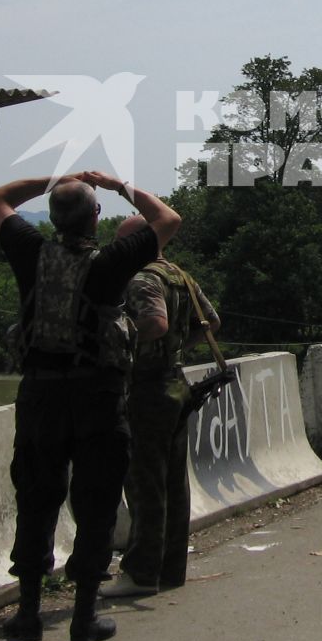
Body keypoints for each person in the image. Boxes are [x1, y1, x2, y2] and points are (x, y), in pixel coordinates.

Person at [0, 169, 179, 641]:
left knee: (35, 498)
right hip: (98, 396)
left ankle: (28, 613)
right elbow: (167, 218)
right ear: (96, 218)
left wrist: (58, 179)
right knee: (96, 502)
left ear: (52, 215)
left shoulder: (28, 252)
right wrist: (115, 185)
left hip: (41, 396)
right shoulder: (112, 262)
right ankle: (83, 616)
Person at [103, 224, 219, 600]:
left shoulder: (141, 279)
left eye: (122, 243)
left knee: (144, 483)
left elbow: (155, 323)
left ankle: (140, 572)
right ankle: (171, 569)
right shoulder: (180, 276)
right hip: (176, 383)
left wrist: (120, 339)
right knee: (173, 482)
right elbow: (212, 322)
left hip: (147, 387)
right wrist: (179, 346)